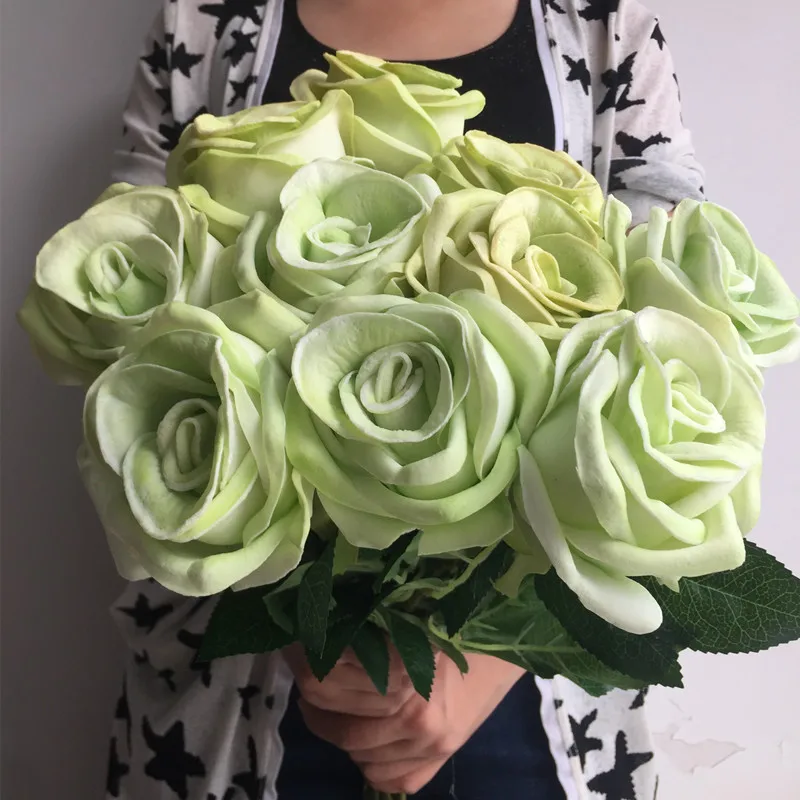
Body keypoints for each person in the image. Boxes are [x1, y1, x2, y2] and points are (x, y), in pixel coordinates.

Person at [106, 1, 704, 798]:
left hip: (522, 701)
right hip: (243, 677)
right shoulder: (205, 25)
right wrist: (302, 619)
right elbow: (123, 336)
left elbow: (678, 336)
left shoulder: (604, 30)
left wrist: (490, 656)